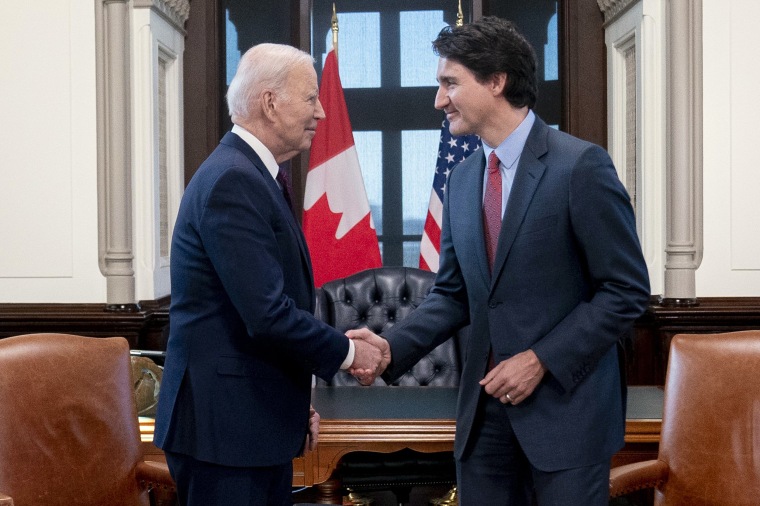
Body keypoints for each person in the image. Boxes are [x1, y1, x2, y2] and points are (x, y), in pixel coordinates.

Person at [349, 17, 650, 505]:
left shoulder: (581, 166)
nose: (438, 100)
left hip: (566, 419)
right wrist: (388, 348)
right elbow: (452, 293)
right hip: (483, 420)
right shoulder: (464, 178)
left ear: (496, 81)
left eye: (450, 83)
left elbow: (625, 291)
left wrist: (540, 360)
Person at [153, 43, 386, 506]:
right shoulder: (233, 181)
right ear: (270, 102)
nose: (321, 112)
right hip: (225, 436)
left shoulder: (251, 173)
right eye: (310, 98)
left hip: (248, 426)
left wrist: (293, 406)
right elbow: (266, 314)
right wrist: (348, 351)